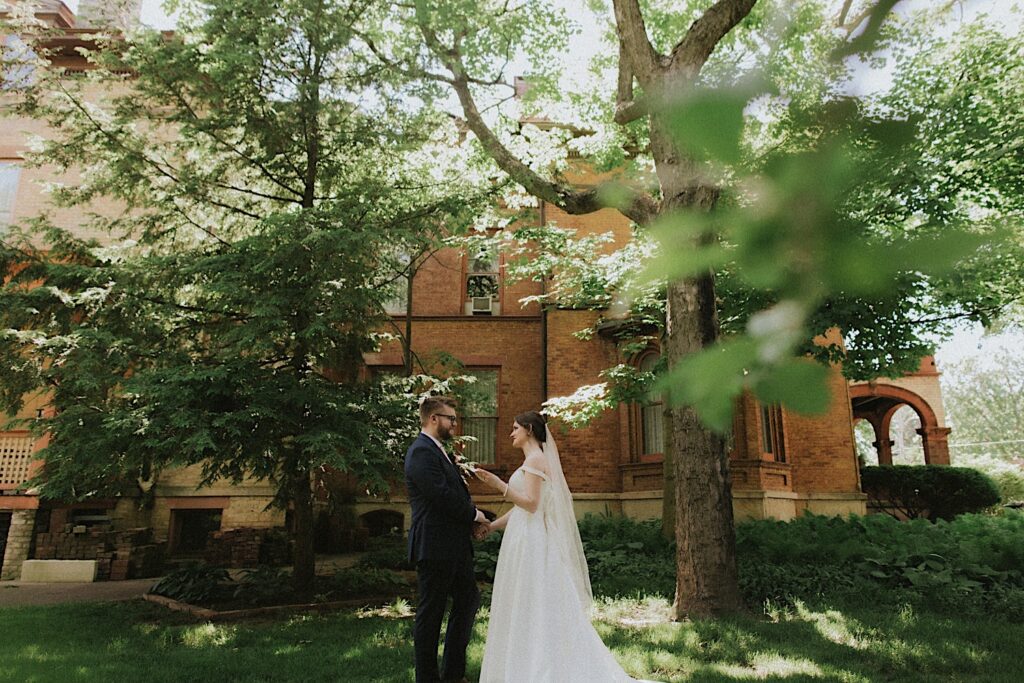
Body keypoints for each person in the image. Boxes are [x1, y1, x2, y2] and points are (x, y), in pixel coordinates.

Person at [473, 411, 655, 683]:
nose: (510, 433)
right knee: (523, 600)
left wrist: (497, 484)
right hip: (522, 535)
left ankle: (538, 667)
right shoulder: (531, 460)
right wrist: (493, 525)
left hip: (532, 541)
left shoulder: (536, 460)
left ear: (529, 430)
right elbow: (521, 509)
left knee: (534, 600)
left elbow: (532, 504)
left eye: (514, 428)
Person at [405, 396, 491, 683]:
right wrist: (475, 515)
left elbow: (454, 493)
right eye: (450, 418)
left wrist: (470, 524)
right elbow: (440, 495)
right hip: (434, 545)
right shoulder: (421, 452)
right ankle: (427, 678)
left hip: (454, 545)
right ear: (433, 419)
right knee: (431, 614)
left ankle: (453, 674)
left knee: (468, 600)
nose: (454, 423)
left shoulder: (439, 451)